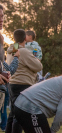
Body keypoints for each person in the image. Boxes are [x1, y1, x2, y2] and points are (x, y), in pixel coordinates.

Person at [5, 29, 43, 133]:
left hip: (12, 84)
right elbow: (38, 67)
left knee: (12, 114)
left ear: (14, 38)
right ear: (25, 38)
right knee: (20, 115)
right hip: (23, 84)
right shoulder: (24, 52)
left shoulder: (12, 49)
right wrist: (36, 60)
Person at [0, 4, 20, 132]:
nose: (1, 19)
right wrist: (17, 57)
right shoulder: (22, 50)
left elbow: (7, 67)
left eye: (2, 16)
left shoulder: (3, 41)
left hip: (4, 87)